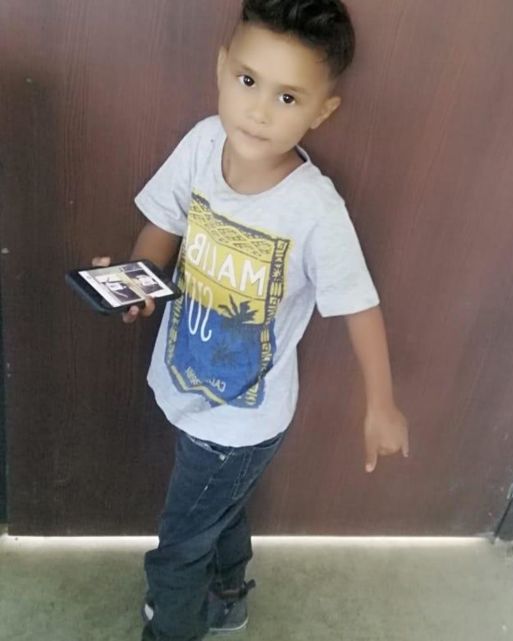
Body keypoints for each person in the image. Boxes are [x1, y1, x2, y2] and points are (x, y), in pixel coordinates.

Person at [93, 1, 409, 639]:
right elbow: (163, 226)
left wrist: (381, 403)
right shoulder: (203, 144)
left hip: (242, 420)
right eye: (247, 81)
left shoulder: (314, 209)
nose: (259, 111)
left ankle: (173, 627)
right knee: (220, 510)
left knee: (180, 546)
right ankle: (229, 596)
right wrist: (136, 285)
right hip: (186, 380)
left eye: (287, 97)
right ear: (222, 69)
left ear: (322, 111)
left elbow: (358, 303)